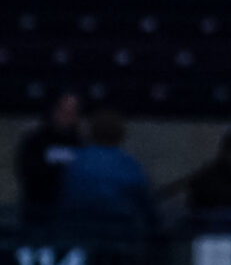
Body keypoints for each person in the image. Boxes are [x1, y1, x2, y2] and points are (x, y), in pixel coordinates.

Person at [56, 108, 156, 237]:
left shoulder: (74, 162)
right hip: (118, 239)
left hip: (80, 237)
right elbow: (147, 208)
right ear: (121, 134)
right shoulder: (130, 165)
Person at [15, 89, 82, 226]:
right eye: (65, 111)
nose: (68, 116)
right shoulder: (35, 140)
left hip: (69, 214)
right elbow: (26, 171)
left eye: (73, 112)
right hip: (37, 211)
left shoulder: (80, 143)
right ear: (54, 110)